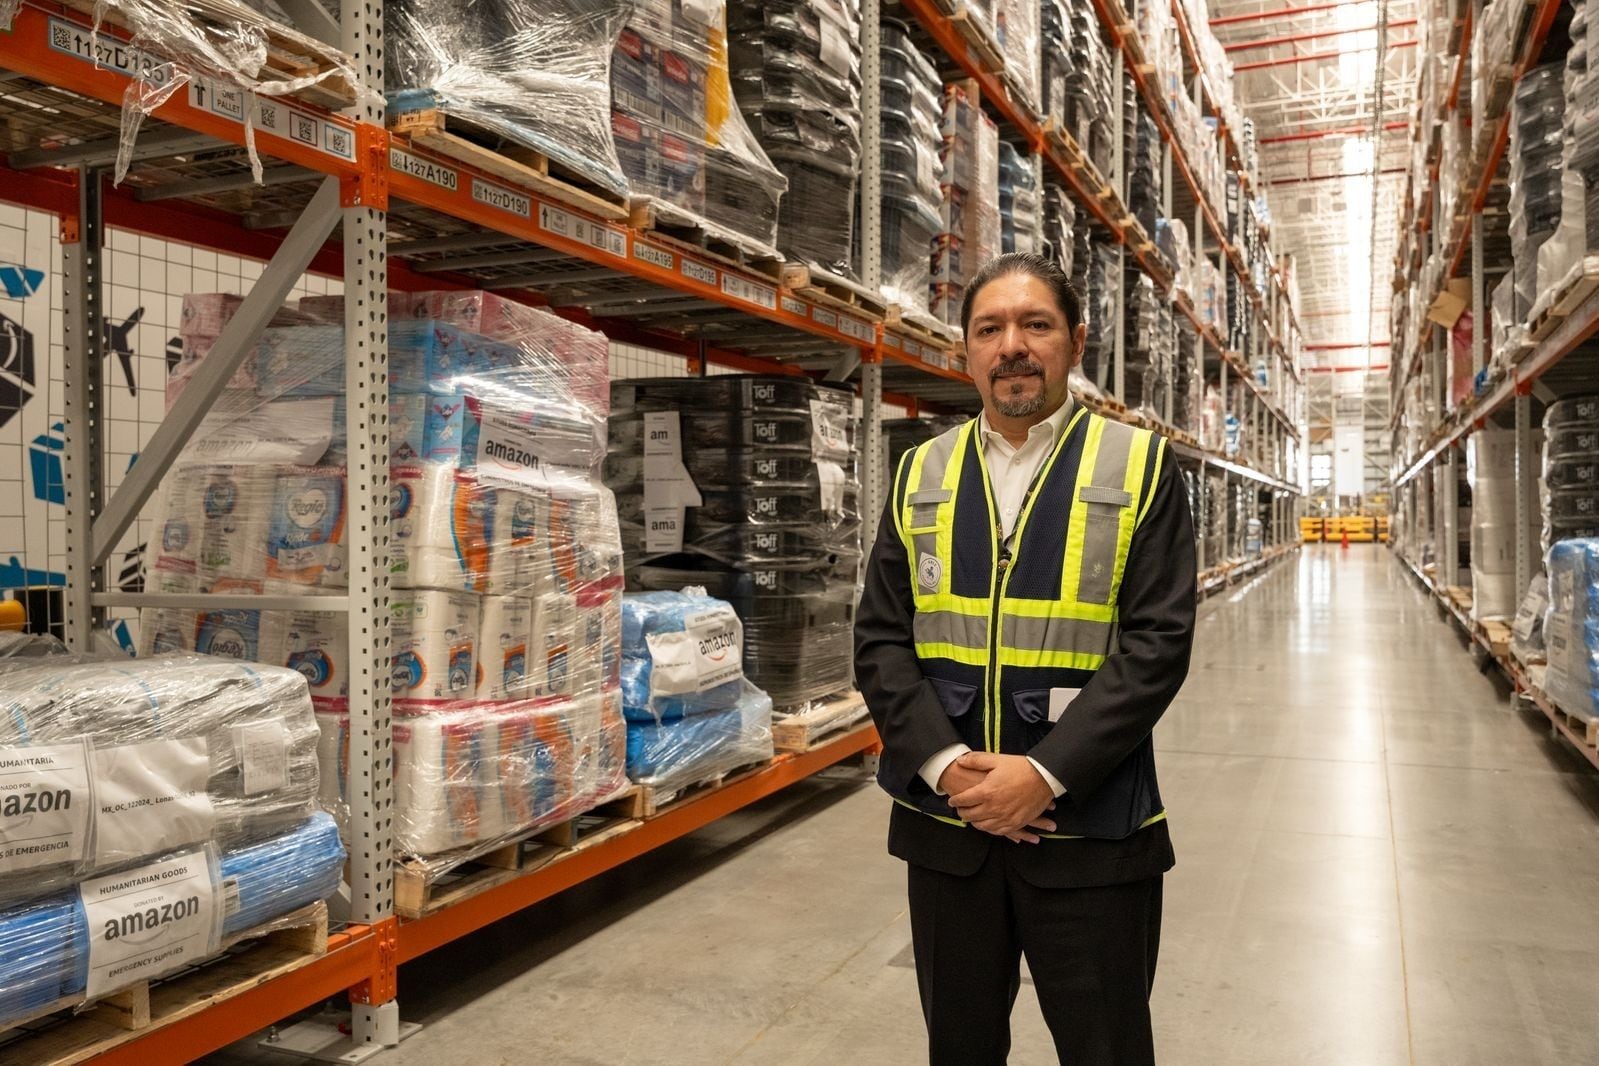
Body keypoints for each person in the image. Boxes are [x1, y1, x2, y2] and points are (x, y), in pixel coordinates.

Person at [854, 252, 1196, 1065]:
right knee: (959, 1048)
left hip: (1089, 828)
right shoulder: (918, 473)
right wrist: (945, 767)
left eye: (1034, 325)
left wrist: (1038, 776)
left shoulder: (1139, 465)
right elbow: (878, 638)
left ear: (1075, 344)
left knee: (1105, 1047)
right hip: (950, 827)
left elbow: (1157, 645)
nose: (1012, 345)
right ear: (964, 352)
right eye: (989, 329)